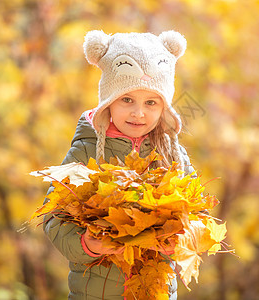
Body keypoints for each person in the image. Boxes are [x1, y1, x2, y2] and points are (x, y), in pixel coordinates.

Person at [43, 29, 194, 300]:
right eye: (127, 100)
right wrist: (87, 244)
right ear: (109, 102)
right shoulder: (86, 151)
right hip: (95, 292)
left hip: (154, 289)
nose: (139, 113)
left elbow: (195, 219)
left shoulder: (173, 156)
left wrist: (179, 241)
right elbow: (54, 217)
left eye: (151, 102)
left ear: (164, 108)